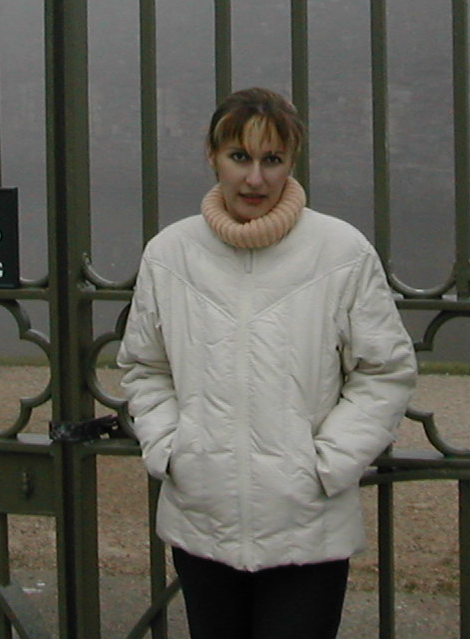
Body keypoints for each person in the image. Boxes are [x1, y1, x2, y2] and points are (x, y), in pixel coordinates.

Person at [117, 87, 417, 639]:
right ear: (213, 156)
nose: (255, 179)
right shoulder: (170, 254)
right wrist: (172, 450)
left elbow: (384, 371)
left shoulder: (341, 252)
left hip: (307, 527)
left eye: (272, 159)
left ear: (291, 162)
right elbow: (145, 366)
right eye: (240, 157)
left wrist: (325, 465)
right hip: (203, 520)